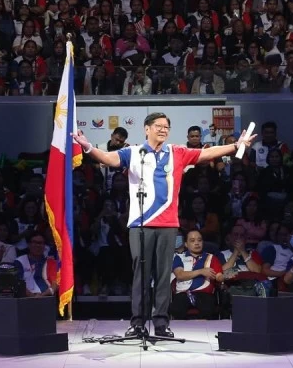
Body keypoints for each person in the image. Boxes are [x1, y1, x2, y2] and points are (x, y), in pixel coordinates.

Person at [73, 111, 254, 338]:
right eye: (158, 126)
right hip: (140, 224)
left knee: (162, 275)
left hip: (168, 224)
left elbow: (206, 153)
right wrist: (88, 147)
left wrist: (236, 146)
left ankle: (161, 323)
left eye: (166, 127)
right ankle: (137, 323)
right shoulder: (134, 152)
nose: (163, 130)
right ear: (147, 129)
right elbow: (109, 158)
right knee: (140, 274)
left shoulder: (176, 152)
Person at [170, 229, 222, 319]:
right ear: (186, 244)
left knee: (209, 308)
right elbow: (180, 275)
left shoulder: (211, 257)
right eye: (192, 241)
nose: (197, 243)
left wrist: (225, 276)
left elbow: (219, 276)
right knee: (176, 309)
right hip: (183, 293)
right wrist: (201, 271)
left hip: (204, 294)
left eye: (199, 240)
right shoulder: (179, 257)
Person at [15, 232, 58, 297]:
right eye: (35, 242)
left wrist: (42, 295)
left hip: (47, 298)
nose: (38, 245)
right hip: (25, 299)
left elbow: (55, 284)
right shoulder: (19, 261)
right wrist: (32, 296)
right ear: (29, 244)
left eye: (41, 243)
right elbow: (18, 283)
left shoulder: (50, 262)